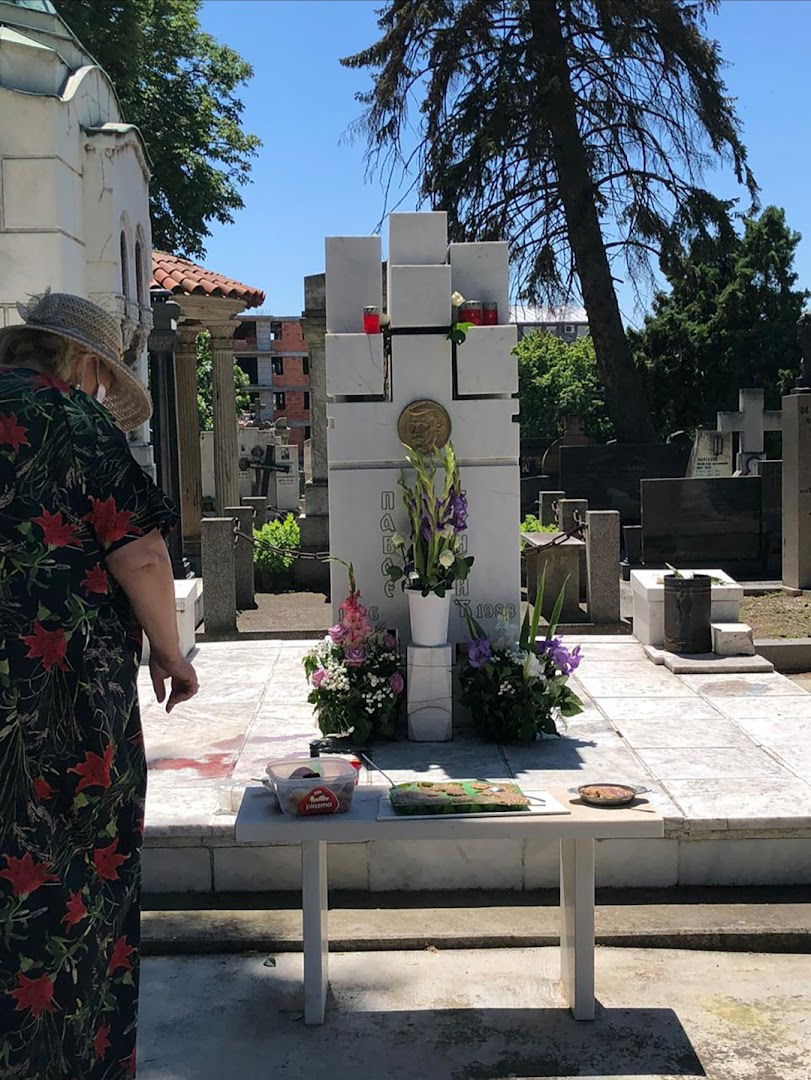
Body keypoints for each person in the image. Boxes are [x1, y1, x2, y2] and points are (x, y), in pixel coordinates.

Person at [0, 291, 198, 1077]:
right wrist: (170, 652)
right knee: (69, 882)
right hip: (60, 703)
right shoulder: (74, 422)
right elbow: (140, 556)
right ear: (83, 363)